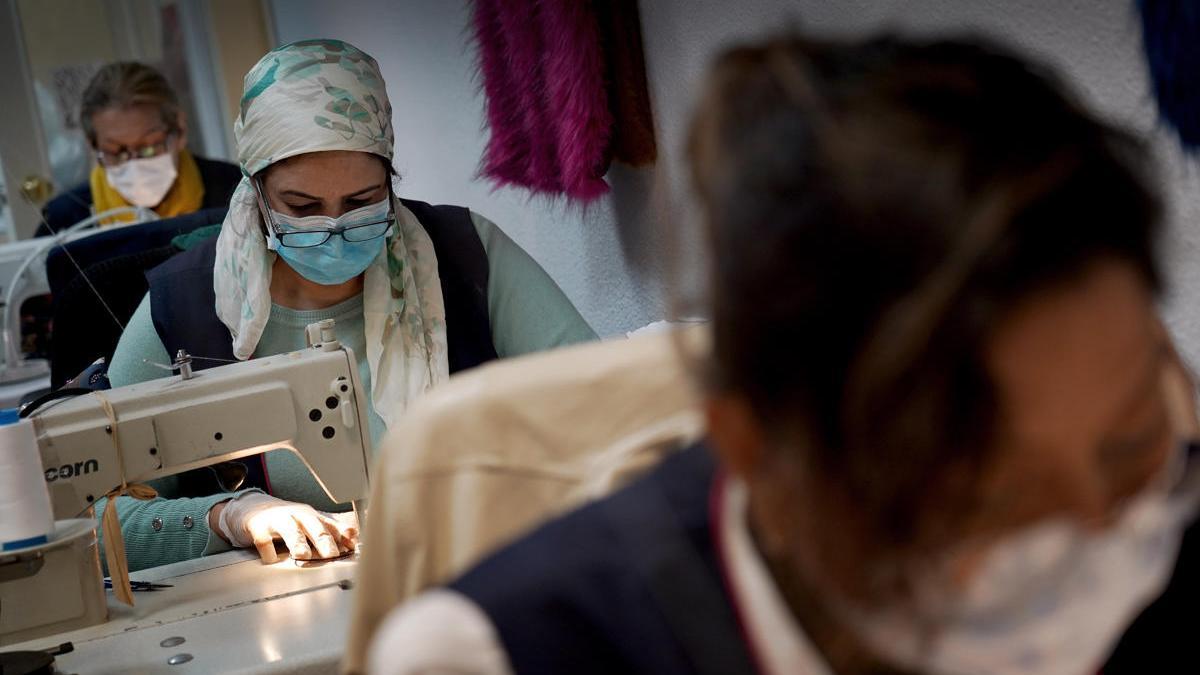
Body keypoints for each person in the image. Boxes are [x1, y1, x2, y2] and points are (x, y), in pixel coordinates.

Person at [366, 34, 1200, 675]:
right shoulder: (512, 651)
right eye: (998, 501)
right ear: (754, 449)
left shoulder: (1171, 515)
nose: (1106, 536)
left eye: (1132, 444)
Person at [101, 39, 597, 572]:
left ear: (390, 180)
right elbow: (98, 520)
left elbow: (605, 408)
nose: (335, 227)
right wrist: (228, 516)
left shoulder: (465, 257)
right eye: (302, 206)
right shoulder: (183, 309)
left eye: (362, 203)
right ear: (256, 194)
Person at [40, 61, 241, 235]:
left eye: (149, 147)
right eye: (116, 152)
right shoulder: (68, 217)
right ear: (93, 145)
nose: (133, 164)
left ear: (179, 131)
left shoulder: (234, 191)